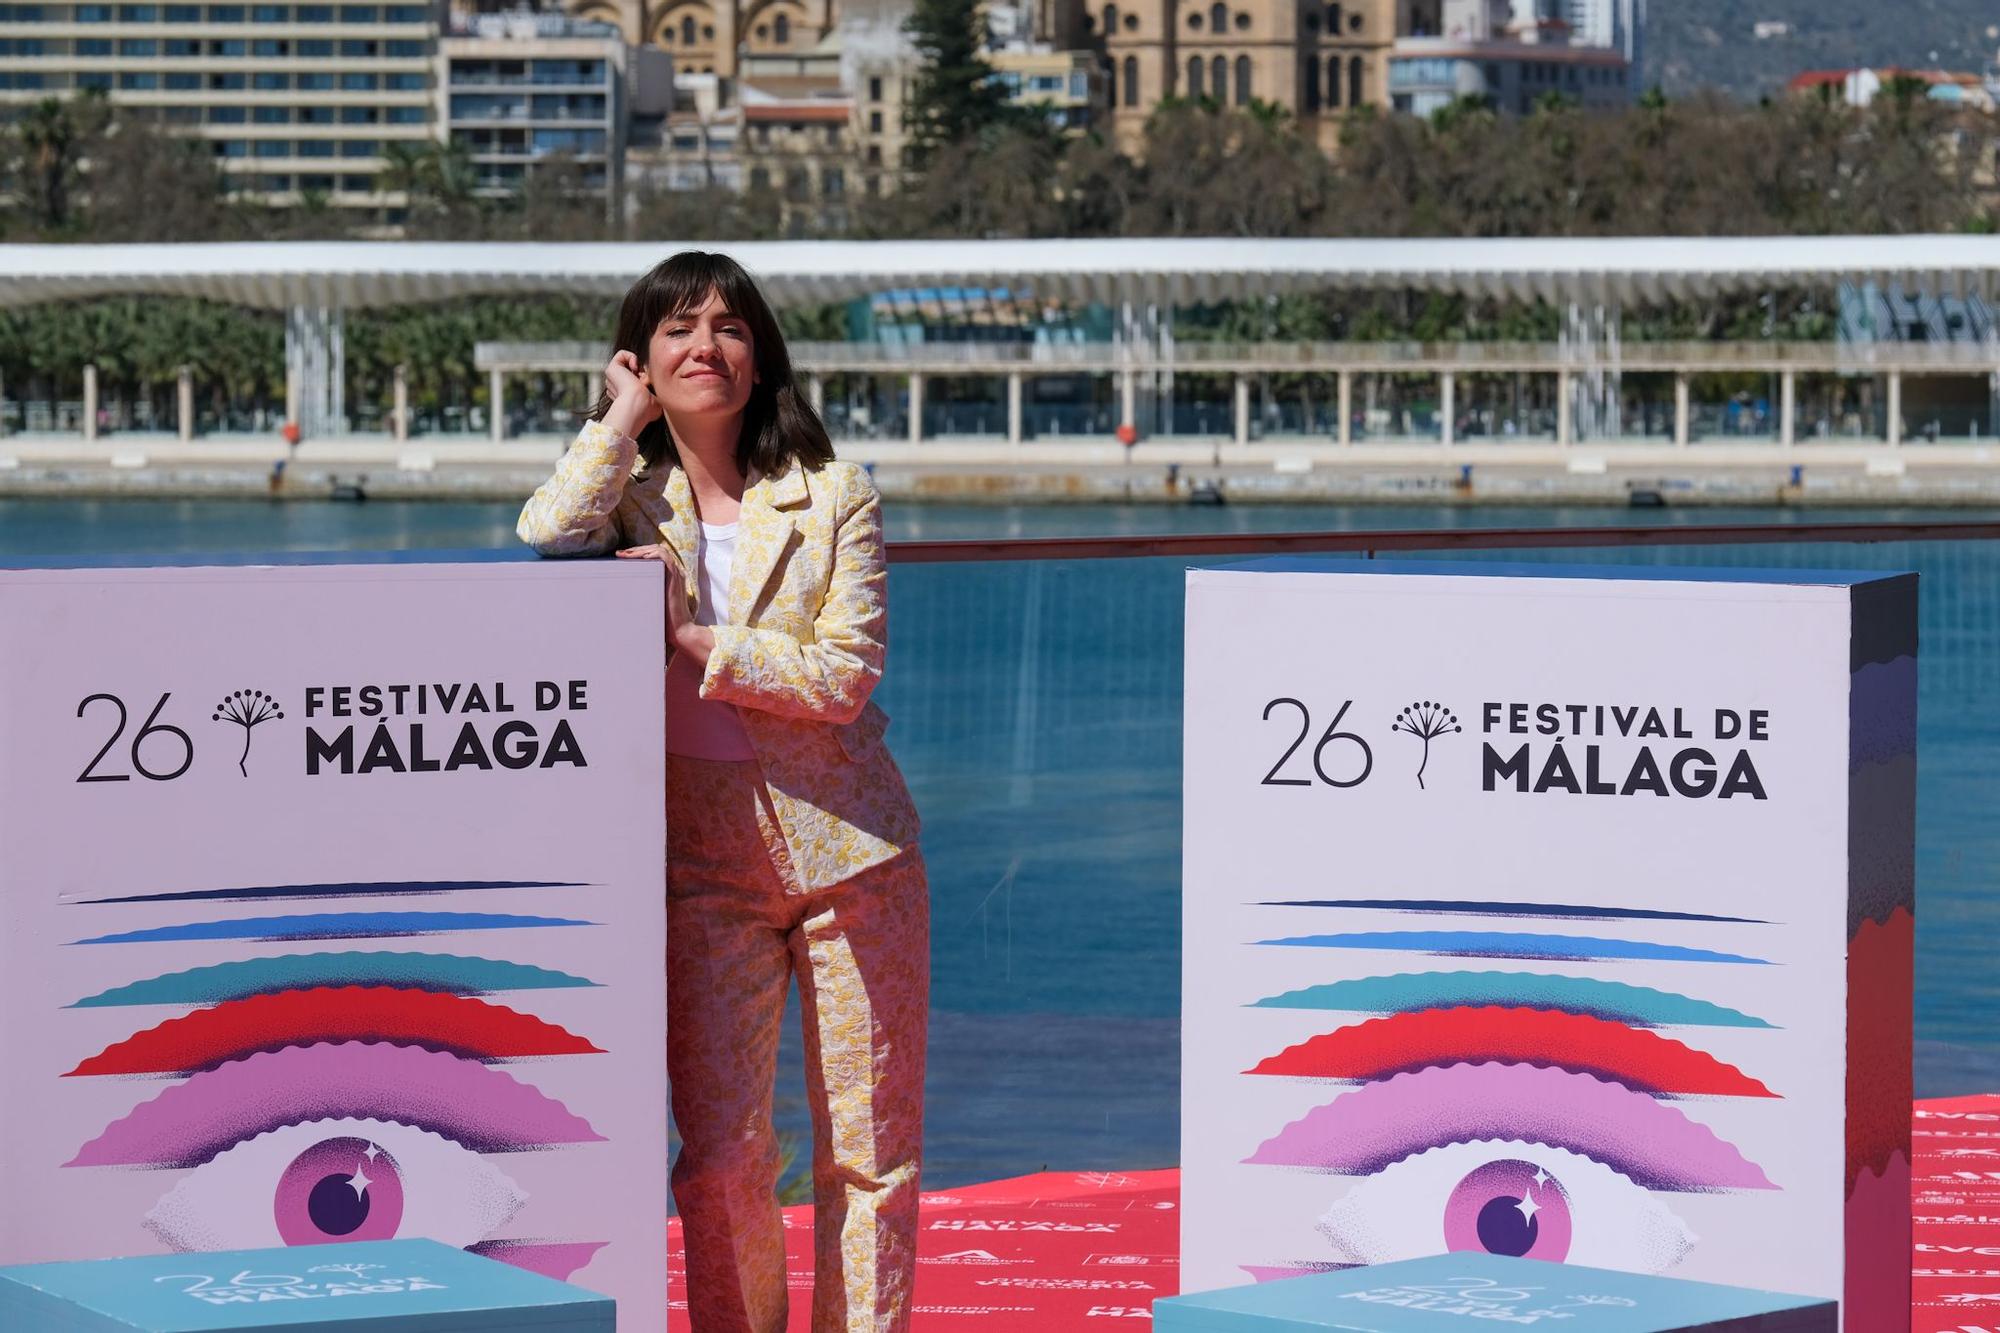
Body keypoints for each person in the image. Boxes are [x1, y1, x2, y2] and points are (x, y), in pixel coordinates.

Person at [517, 251, 927, 1333]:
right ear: (644, 356)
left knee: (868, 1152)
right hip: (699, 865)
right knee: (723, 1156)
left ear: (762, 355)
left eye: (730, 326)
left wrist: (693, 637)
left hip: (853, 856)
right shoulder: (627, 499)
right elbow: (544, 529)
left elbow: (844, 676)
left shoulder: (834, 492)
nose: (707, 346)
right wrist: (617, 420)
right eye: (678, 329)